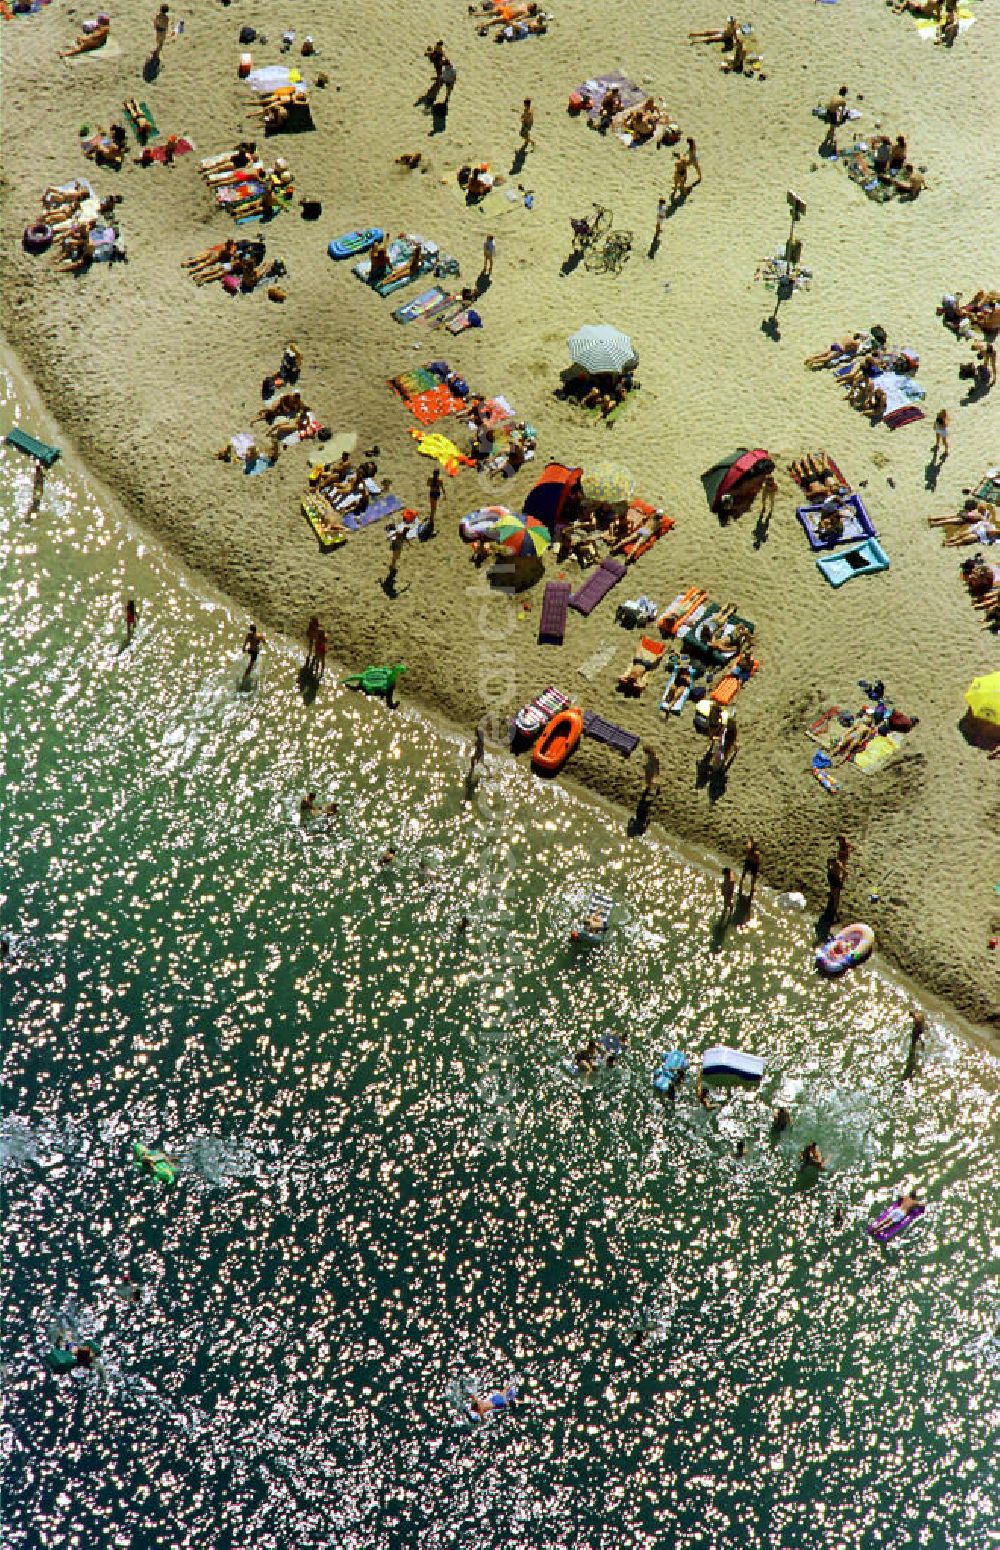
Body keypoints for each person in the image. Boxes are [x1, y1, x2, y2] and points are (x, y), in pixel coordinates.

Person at [903, 1009, 925, 1078]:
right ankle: (920, 1046)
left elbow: (918, 1024)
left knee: (913, 1043)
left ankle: (913, 1052)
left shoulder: (916, 1018)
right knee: (917, 1039)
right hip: (919, 1028)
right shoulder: (919, 1016)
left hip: (917, 1029)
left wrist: (916, 1029)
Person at [826, 853, 845, 920]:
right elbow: (845, 873)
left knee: (834, 895)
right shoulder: (837, 864)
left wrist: (829, 870)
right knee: (835, 896)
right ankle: (834, 911)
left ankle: (834, 912)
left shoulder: (836, 864)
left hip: (834, 879)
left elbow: (845, 872)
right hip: (834, 880)